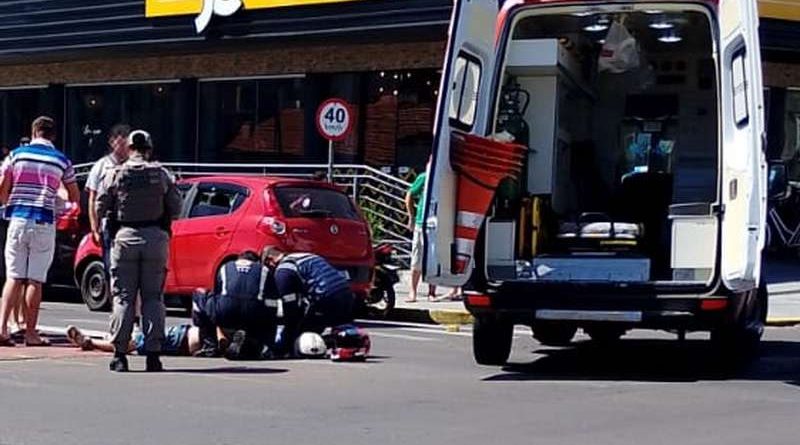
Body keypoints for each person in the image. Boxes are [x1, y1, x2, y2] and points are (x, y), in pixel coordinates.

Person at [96, 129, 182, 372]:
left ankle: (120, 355)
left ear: (129, 149)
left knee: (123, 297)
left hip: (124, 238)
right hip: (155, 238)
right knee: (153, 297)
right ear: (149, 149)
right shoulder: (162, 174)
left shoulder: (115, 172)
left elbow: (100, 205)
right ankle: (153, 355)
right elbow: (176, 208)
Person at [0, 116, 80, 347]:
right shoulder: (62, 161)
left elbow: (2, 183)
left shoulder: (16, 155)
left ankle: (3, 328)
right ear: (53, 135)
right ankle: (31, 333)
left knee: (13, 276)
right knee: (35, 279)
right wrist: (56, 194)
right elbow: (74, 196)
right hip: (43, 221)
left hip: (18, 218)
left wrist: (8, 201)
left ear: (34, 132)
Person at [261, 246, 355, 357]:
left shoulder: (283, 270)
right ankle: (349, 343)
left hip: (326, 297)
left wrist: (282, 344)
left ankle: (285, 350)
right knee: (339, 324)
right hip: (346, 292)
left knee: (305, 330)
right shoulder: (307, 255)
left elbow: (291, 310)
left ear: (270, 261)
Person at [191, 251, 277, 360]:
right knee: (268, 305)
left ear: (239, 259)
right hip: (254, 314)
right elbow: (273, 305)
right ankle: (259, 346)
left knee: (199, 294)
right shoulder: (264, 270)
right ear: (256, 261)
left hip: (226, 312)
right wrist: (268, 341)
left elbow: (217, 295)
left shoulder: (225, 267)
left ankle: (210, 345)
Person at [404, 168, 461, 303]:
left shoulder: (446, 179)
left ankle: (432, 292)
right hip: (421, 223)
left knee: (433, 259)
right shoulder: (424, 177)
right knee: (417, 258)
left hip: (437, 224)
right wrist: (411, 217)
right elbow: (410, 195)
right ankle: (413, 292)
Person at [87, 124, 131, 261]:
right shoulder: (101, 166)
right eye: (121, 143)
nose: (124, 148)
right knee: (110, 261)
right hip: (109, 223)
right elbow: (92, 199)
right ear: (112, 143)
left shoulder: (133, 166)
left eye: (127, 144)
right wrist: (94, 228)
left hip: (129, 221)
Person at [66, 323, 203, 357]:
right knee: (141, 338)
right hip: (183, 334)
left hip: (181, 340)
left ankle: (89, 342)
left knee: (136, 342)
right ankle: (108, 339)